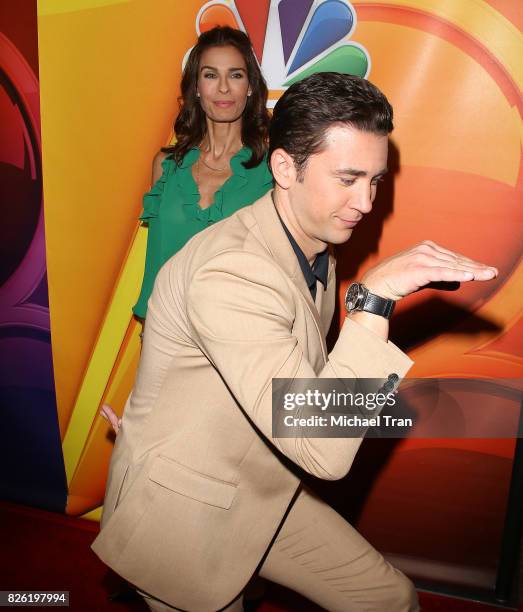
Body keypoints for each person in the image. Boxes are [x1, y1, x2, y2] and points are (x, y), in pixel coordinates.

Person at [92, 73, 497, 611]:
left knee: (387, 598)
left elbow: (294, 377)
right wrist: (373, 299)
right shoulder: (233, 270)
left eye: (374, 181)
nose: (366, 202)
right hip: (184, 509)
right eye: (349, 178)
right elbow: (323, 450)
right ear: (285, 168)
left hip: (262, 485)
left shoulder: (315, 245)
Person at [100, 25, 272, 433]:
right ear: (196, 87)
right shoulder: (167, 166)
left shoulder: (272, 170)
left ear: (250, 86)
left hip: (237, 344)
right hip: (165, 339)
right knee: (151, 451)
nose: (223, 87)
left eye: (236, 74)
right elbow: (155, 263)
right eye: (210, 74)